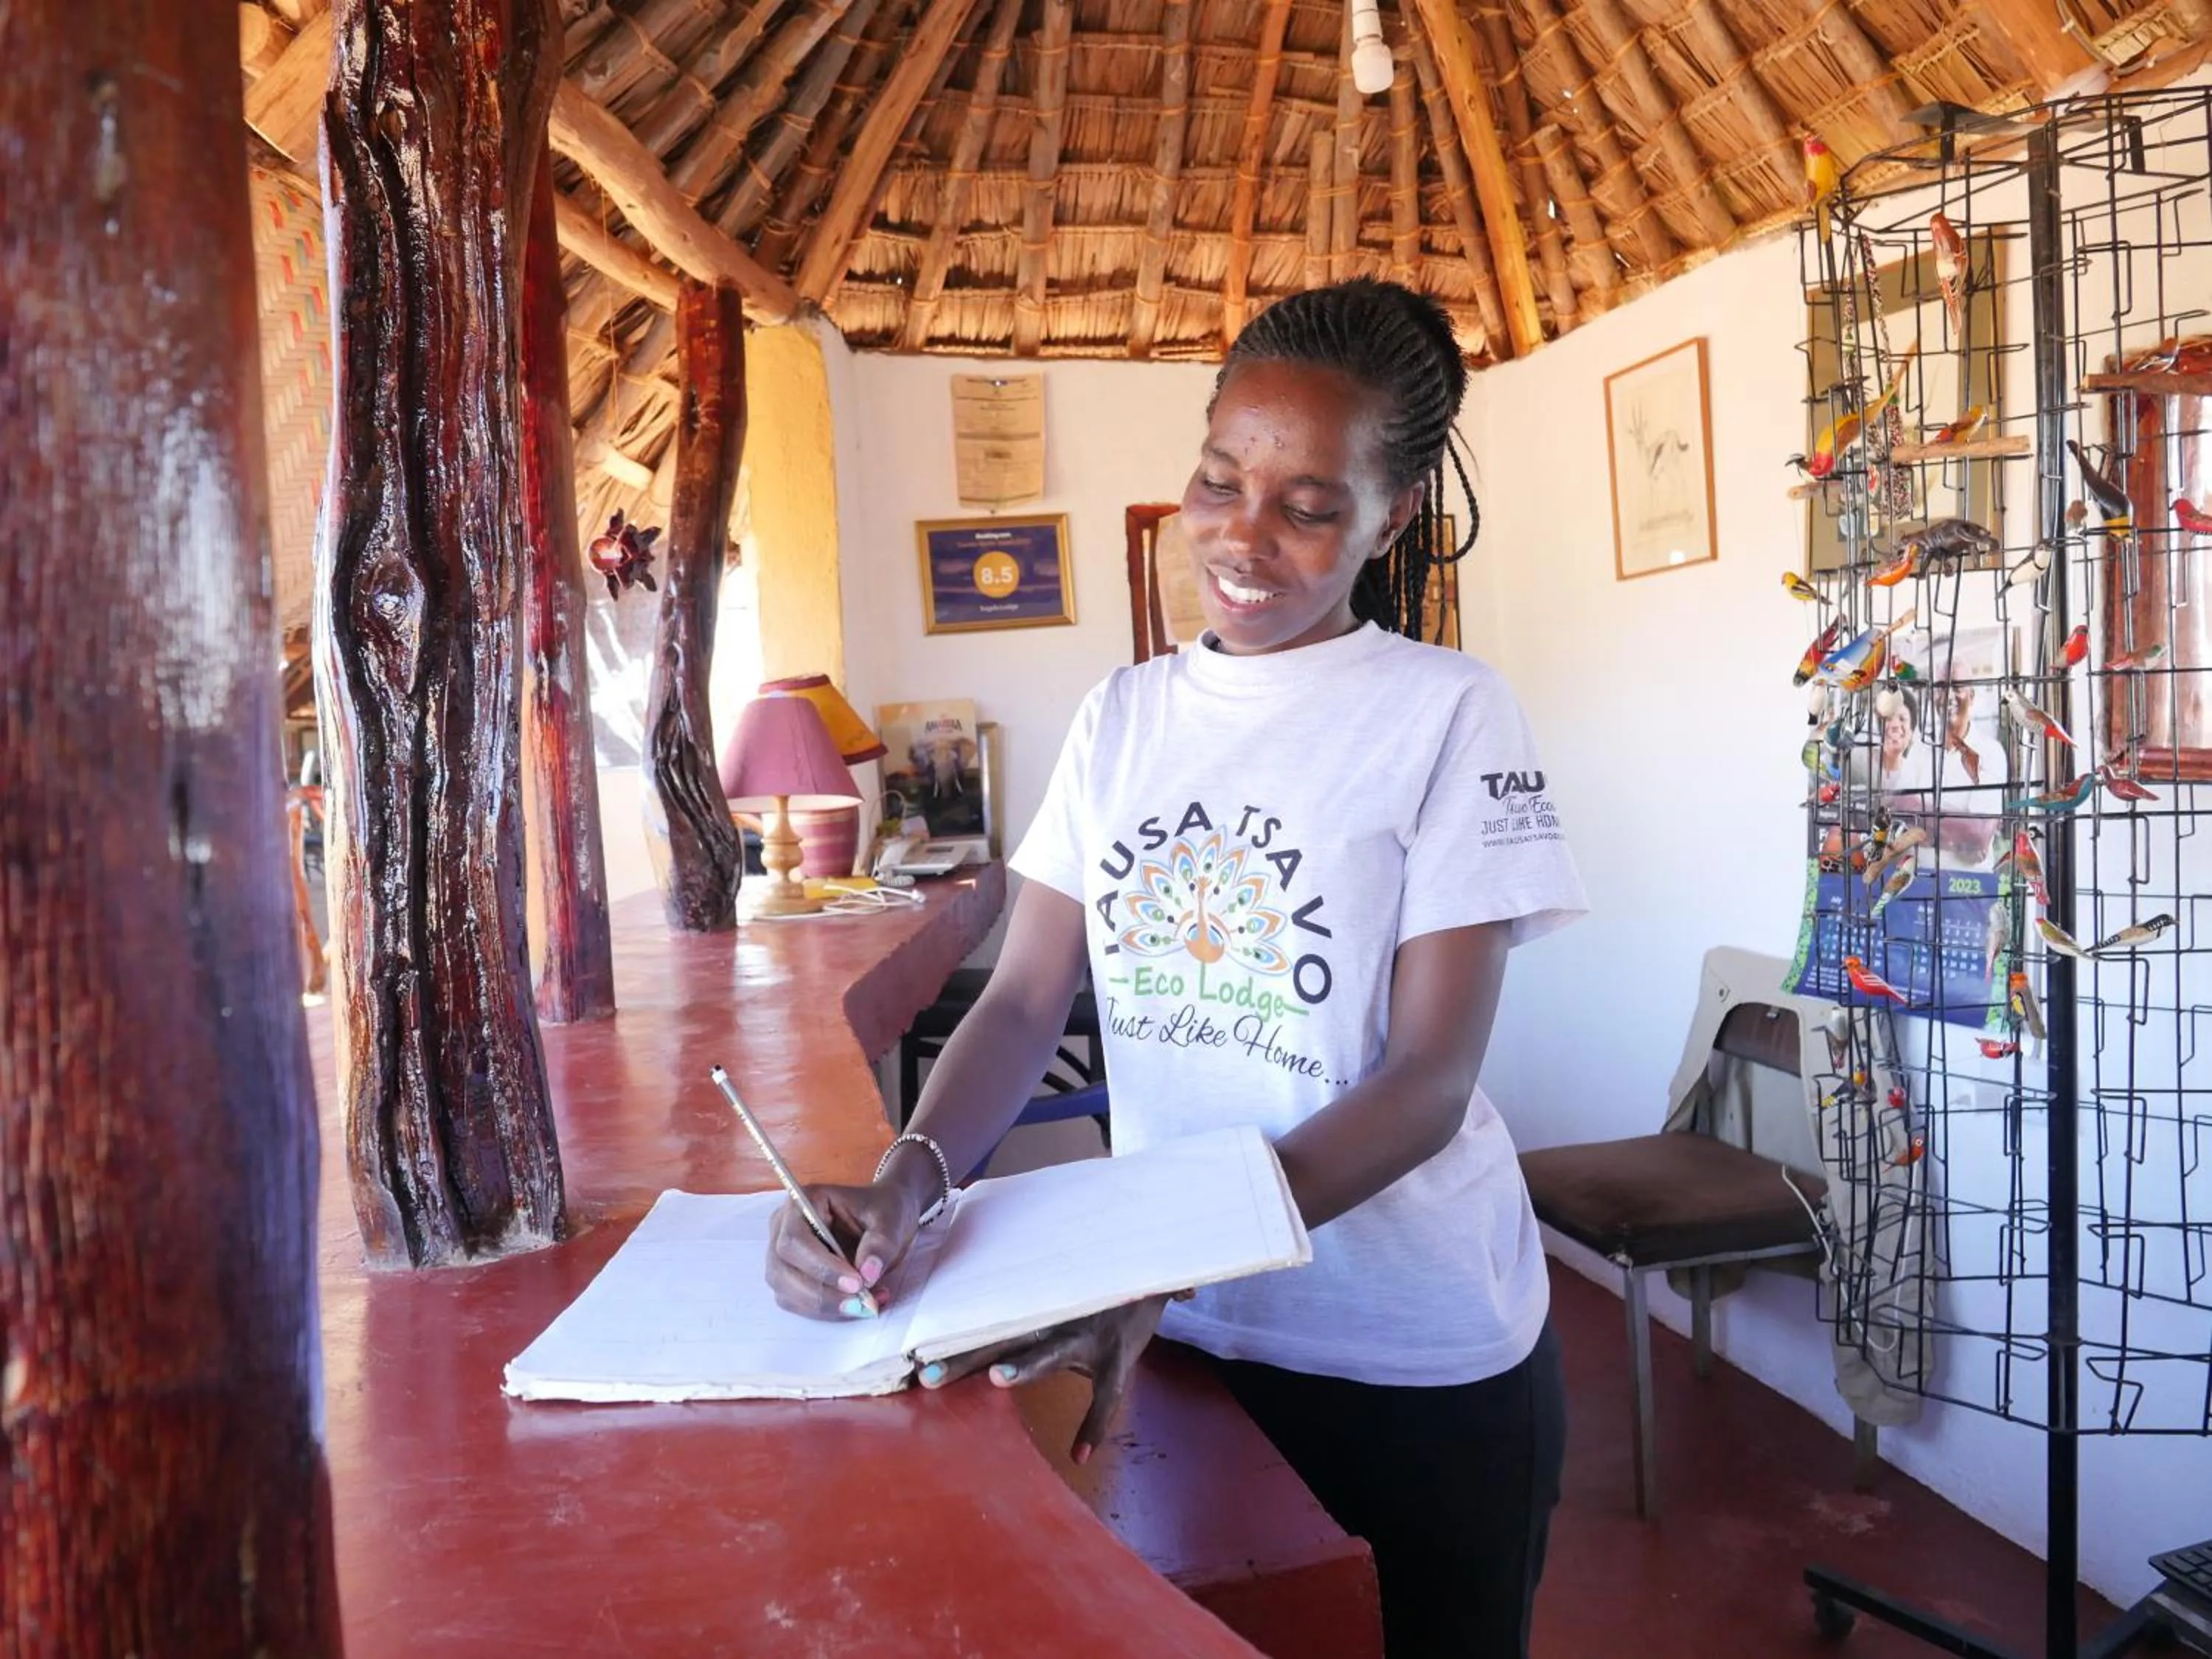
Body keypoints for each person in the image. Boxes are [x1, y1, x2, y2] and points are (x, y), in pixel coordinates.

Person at [763, 278, 1587, 1658]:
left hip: (1410, 1352)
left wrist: (1169, 1256)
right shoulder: (1122, 717)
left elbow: (1429, 1083)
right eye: (1219, 480)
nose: (1242, 536)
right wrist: (908, 1180)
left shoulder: (1448, 713)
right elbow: (1026, 998)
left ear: (1391, 519)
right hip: (1186, 1334)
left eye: (1307, 506)